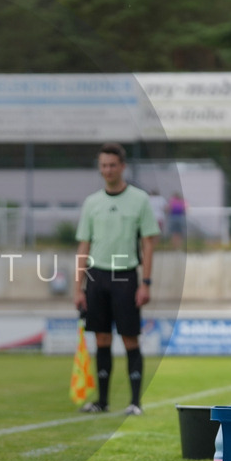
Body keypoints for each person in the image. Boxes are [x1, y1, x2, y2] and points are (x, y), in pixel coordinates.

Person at [73, 142, 160, 416]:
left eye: (112, 165)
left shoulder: (140, 200)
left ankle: (135, 402)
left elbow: (148, 243)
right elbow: (83, 247)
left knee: (130, 338)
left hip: (126, 277)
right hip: (96, 277)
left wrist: (145, 283)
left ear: (122, 167)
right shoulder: (92, 203)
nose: (108, 170)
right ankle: (102, 401)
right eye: (103, 166)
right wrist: (79, 288)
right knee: (101, 340)